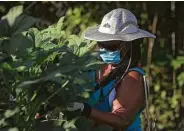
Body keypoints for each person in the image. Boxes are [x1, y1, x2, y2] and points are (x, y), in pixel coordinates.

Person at [67, 8, 156, 131]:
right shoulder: (92, 65)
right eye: (102, 44)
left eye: (111, 46)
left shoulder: (132, 77)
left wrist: (85, 110)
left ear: (128, 45)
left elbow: (122, 120)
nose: (104, 49)